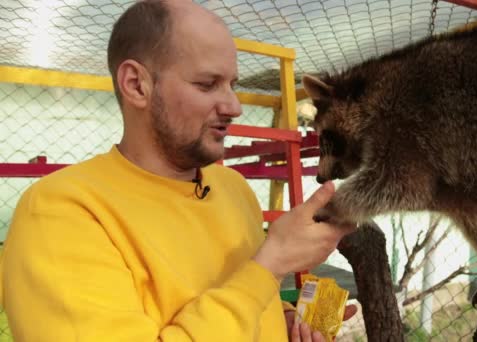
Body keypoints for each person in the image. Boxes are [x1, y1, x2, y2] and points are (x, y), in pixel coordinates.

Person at [0, 0, 356, 341]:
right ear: (136, 85)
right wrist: (271, 263)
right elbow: (253, 282)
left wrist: (280, 321)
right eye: (206, 84)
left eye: (232, 85)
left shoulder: (233, 189)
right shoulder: (60, 213)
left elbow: (241, 298)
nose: (235, 107)